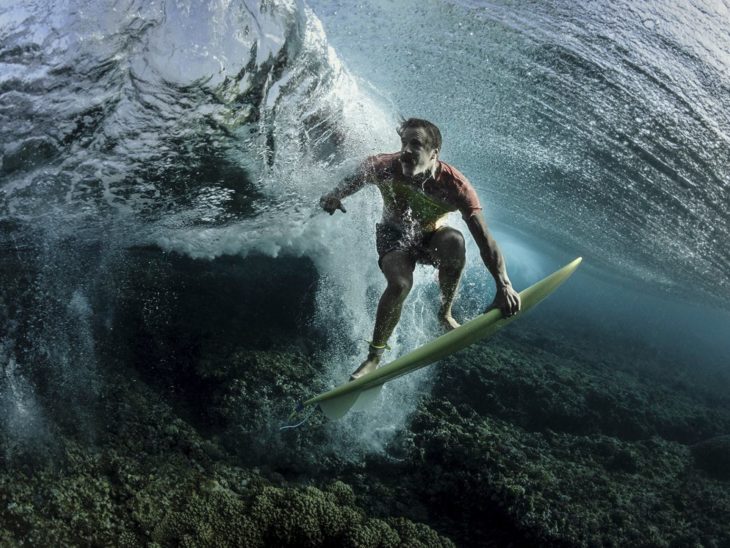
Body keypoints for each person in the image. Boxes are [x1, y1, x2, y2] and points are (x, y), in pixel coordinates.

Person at [320, 118, 521, 380]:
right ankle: (373, 358)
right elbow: (355, 177)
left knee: (454, 241)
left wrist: (503, 285)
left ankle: (444, 314)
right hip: (392, 236)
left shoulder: (455, 187)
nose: (405, 150)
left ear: (434, 154)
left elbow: (485, 240)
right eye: (403, 142)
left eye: (415, 144)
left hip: (430, 239)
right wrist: (335, 196)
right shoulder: (384, 166)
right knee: (400, 284)